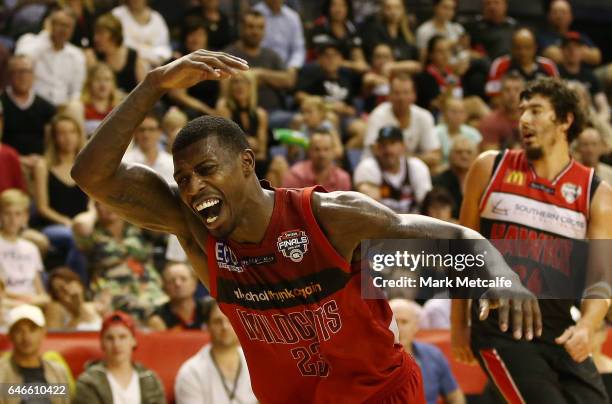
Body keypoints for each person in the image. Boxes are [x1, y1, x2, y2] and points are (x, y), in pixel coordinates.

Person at [70, 49, 542, 403]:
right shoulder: (196, 230)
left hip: (378, 397)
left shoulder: (329, 217)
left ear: (247, 164)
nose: (192, 188)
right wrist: (152, 84)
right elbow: (90, 176)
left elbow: (450, 236)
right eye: (184, 178)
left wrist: (502, 275)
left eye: (206, 171)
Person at [451, 78, 612, 402]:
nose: (524, 119)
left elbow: (601, 279)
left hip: (560, 329)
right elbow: (461, 251)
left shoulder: (597, 193)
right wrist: (458, 326)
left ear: (565, 120)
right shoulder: (490, 167)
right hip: (501, 328)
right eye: (522, 111)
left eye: (536, 111)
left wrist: (587, 326)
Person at [72, 202, 166, 322]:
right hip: (112, 291)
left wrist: (125, 207)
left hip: (149, 287)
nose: (109, 207)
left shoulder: (137, 227)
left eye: (111, 201)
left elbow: (161, 218)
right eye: (102, 203)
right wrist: (92, 209)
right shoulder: (93, 232)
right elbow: (80, 224)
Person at [32, 113, 90, 272]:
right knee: (74, 238)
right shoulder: (43, 166)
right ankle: (78, 285)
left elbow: (92, 203)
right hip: (53, 225)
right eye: (62, 133)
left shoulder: (86, 166)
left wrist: (87, 219)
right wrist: (66, 221)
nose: (68, 138)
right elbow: (42, 208)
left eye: (72, 132)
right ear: (54, 138)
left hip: (82, 223)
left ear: (79, 135)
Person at [223, 9, 296, 128]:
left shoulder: (271, 55)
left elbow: (289, 80)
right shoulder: (229, 54)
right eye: (251, 27)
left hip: (274, 112)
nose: (255, 32)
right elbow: (225, 92)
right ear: (241, 28)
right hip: (245, 115)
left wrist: (260, 74)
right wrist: (271, 78)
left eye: (260, 28)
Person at [174, 300, 258, 404]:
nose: (225, 327)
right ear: (207, 326)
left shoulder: (257, 362)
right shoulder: (191, 372)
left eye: (230, 320)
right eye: (218, 321)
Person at [74, 311, 165, 404]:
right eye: (110, 338)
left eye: (122, 337)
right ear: (102, 343)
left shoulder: (150, 379)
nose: (116, 344)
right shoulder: (88, 382)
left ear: (133, 341)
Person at [389, 299, 465, 404]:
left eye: (404, 322)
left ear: (416, 326)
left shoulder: (433, 355)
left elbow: (455, 395)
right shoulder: (371, 360)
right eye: (394, 322)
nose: (399, 328)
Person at [363, 73, 441, 168]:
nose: (401, 98)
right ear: (389, 96)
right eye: (397, 93)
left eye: (406, 93)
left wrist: (405, 159)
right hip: (378, 168)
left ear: (414, 96)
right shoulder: (378, 115)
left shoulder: (424, 116)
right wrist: (417, 158)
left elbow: (435, 156)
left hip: (411, 170)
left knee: (436, 169)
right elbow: (376, 150)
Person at [0, 304, 72, 404]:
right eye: (18, 330)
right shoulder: (2, 373)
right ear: (10, 335)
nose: (26, 337)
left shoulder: (58, 372)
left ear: (43, 332)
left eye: (32, 329)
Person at [16, 7, 86, 107]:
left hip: (62, 108)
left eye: (68, 26)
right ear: (50, 25)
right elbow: (21, 62)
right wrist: (46, 35)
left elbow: (76, 92)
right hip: (34, 104)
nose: (63, 30)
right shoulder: (30, 41)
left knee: (76, 106)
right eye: (60, 24)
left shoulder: (77, 55)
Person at [355, 125, 432, 214]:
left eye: (392, 143)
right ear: (377, 148)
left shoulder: (416, 167)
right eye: (383, 145)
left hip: (413, 224)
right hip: (381, 224)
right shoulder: (368, 167)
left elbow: (426, 202)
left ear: (403, 146)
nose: (388, 150)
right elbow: (369, 207)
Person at [1, 55, 56, 169]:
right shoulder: (1, 104)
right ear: (9, 75)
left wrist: (44, 159)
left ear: (34, 75)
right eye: (17, 72)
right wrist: (19, 159)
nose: (23, 77)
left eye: (27, 72)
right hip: (7, 161)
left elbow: (51, 144)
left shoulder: (47, 107)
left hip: (40, 164)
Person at [0, 190, 50, 310]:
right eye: (7, 213)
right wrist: (22, 299)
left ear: (25, 217)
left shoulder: (31, 249)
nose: (13, 219)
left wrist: (31, 301)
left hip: (31, 303)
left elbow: (41, 293)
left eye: (18, 214)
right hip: (6, 303)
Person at [167, 17, 220, 119]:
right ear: (185, 38)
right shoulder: (178, 61)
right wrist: (209, 111)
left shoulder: (215, 58)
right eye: (192, 35)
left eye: (200, 35)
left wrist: (221, 107)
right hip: (187, 111)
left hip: (213, 110)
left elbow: (224, 91)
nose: (196, 39)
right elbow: (178, 95)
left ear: (207, 38)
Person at [216, 71, 268, 175]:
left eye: (244, 82)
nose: (239, 86)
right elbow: (226, 146)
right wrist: (249, 143)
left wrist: (243, 145)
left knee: (277, 163)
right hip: (233, 162)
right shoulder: (224, 109)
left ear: (251, 86)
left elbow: (262, 152)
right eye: (235, 82)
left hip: (256, 161)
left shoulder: (260, 114)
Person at [485, 28, 558, 98]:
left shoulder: (548, 65)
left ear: (535, 47)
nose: (522, 52)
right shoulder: (500, 64)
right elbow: (493, 97)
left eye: (527, 47)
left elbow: (557, 94)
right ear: (512, 47)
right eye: (518, 48)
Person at [87, 13, 147, 93]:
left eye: (100, 33)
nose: (95, 38)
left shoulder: (134, 57)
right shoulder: (93, 56)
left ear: (114, 35)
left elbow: (145, 91)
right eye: (95, 33)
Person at [558, 32, 609, 124]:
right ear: (562, 50)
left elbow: (603, 106)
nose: (572, 51)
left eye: (576, 47)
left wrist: (601, 119)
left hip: (589, 118)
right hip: (563, 118)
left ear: (582, 51)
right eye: (568, 47)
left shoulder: (590, 76)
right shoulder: (555, 73)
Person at [307, 0, 368, 73]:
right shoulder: (319, 28)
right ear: (328, 8)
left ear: (348, 8)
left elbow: (360, 63)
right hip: (321, 73)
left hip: (347, 74)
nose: (338, 9)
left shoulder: (352, 30)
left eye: (342, 5)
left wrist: (355, 65)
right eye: (334, 5)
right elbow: (327, 61)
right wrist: (353, 65)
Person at [66, 63, 124, 137]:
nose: (103, 84)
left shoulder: (120, 107)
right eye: (98, 79)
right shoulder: (78, 107)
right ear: (89, 83)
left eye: (107, 80)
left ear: (113, 83)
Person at [538, 0, 601, 67]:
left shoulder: (579, 35)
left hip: (584, 73)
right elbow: (554, 56)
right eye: (555, 12)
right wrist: (581, 51)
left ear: (571, 16)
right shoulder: (542, 37)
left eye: (563, 12)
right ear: (549, 16)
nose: (559, 16)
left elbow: (597, 57)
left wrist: (565, 52)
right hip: (556, 74)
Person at [282, 131, 351, 191]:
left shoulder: (342, 179)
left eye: (326, 149)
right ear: (309, 151)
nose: (322, 154)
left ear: (333, 152)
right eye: (317, 149)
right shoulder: (295, 175)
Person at [147, 262, 207, 331]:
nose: (178, 284)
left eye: (183, 279)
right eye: (172, 280)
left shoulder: (208, 311)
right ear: (164, 287)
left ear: (194, 283)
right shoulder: (158, 319)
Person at [111, 0, 171, 67]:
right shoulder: (117, 15)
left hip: (155, 64)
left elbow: (163, 47)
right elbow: (119, 43)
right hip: (126, 64)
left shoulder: (157, 17)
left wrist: (154, 59)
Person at [123, 113, 176, 186]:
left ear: (160, 132)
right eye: (142, 130)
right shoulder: (125, 162)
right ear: (135, 133)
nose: (146, 135)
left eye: (151, 129)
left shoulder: (171, 163)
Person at [433, 136, 479, 218]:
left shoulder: (482, 182)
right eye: (459, 152)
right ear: (450, 156)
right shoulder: (438, 182)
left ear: (476, 157)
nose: (464, 156)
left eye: (469, 152)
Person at [45, 266, 102, 330]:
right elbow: (54, 336)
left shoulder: (95, 306)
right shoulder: (56, 310)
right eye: (60, 289)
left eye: (68, 282)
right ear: (56, 296)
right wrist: (77, 311)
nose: (67, 289)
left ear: (79, 283)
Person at [253, 0, 305, 69]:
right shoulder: (254, 14)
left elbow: (298, 49)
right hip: (260, 66)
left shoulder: (293, 17)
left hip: (287, 68)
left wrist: (293, 67)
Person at [478, 71, 524, 150]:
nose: (512, 94)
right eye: (507, 90)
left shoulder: (534, 121)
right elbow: (491, 158)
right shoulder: (490, 122)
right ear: (500, 94)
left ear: (524, 94)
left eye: (517, 90)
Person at [435, 97, 481, 168]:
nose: (457, 116)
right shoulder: (435, 133)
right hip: (443, 170)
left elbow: (477, 159)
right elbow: (436, 160)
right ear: (444, 113)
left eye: (461, 112)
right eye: (453, 111)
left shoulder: (473, 134)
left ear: (466, 115)